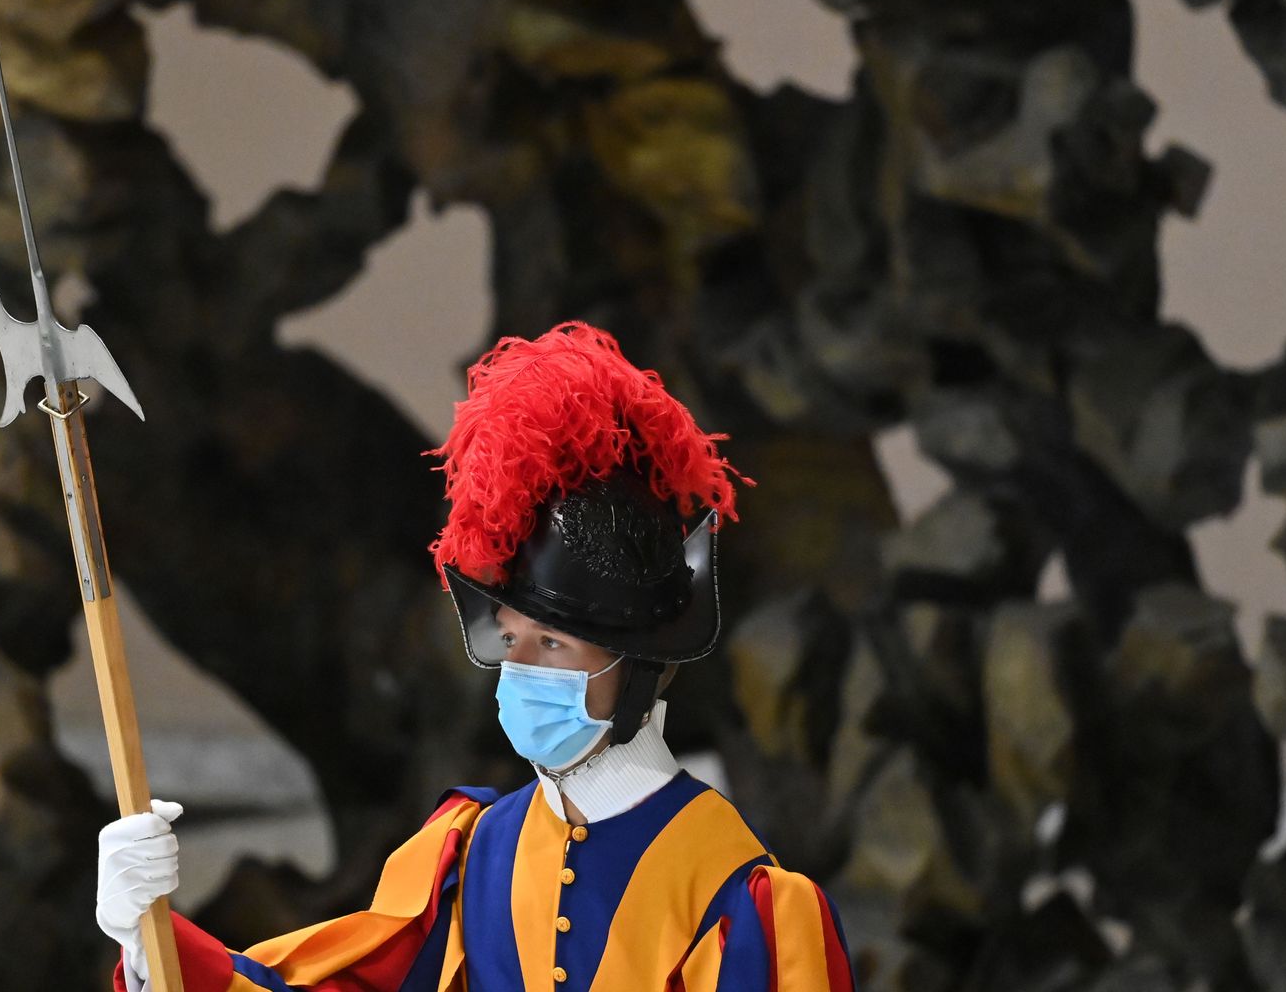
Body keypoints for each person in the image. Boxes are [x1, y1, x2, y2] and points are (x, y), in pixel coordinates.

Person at [96, 322, 855, 991]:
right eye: (513, 639)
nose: (521, 670)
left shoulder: (744, 905)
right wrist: (148, 941)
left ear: (638, 663)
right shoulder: (470, 855)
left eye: (553, 643)